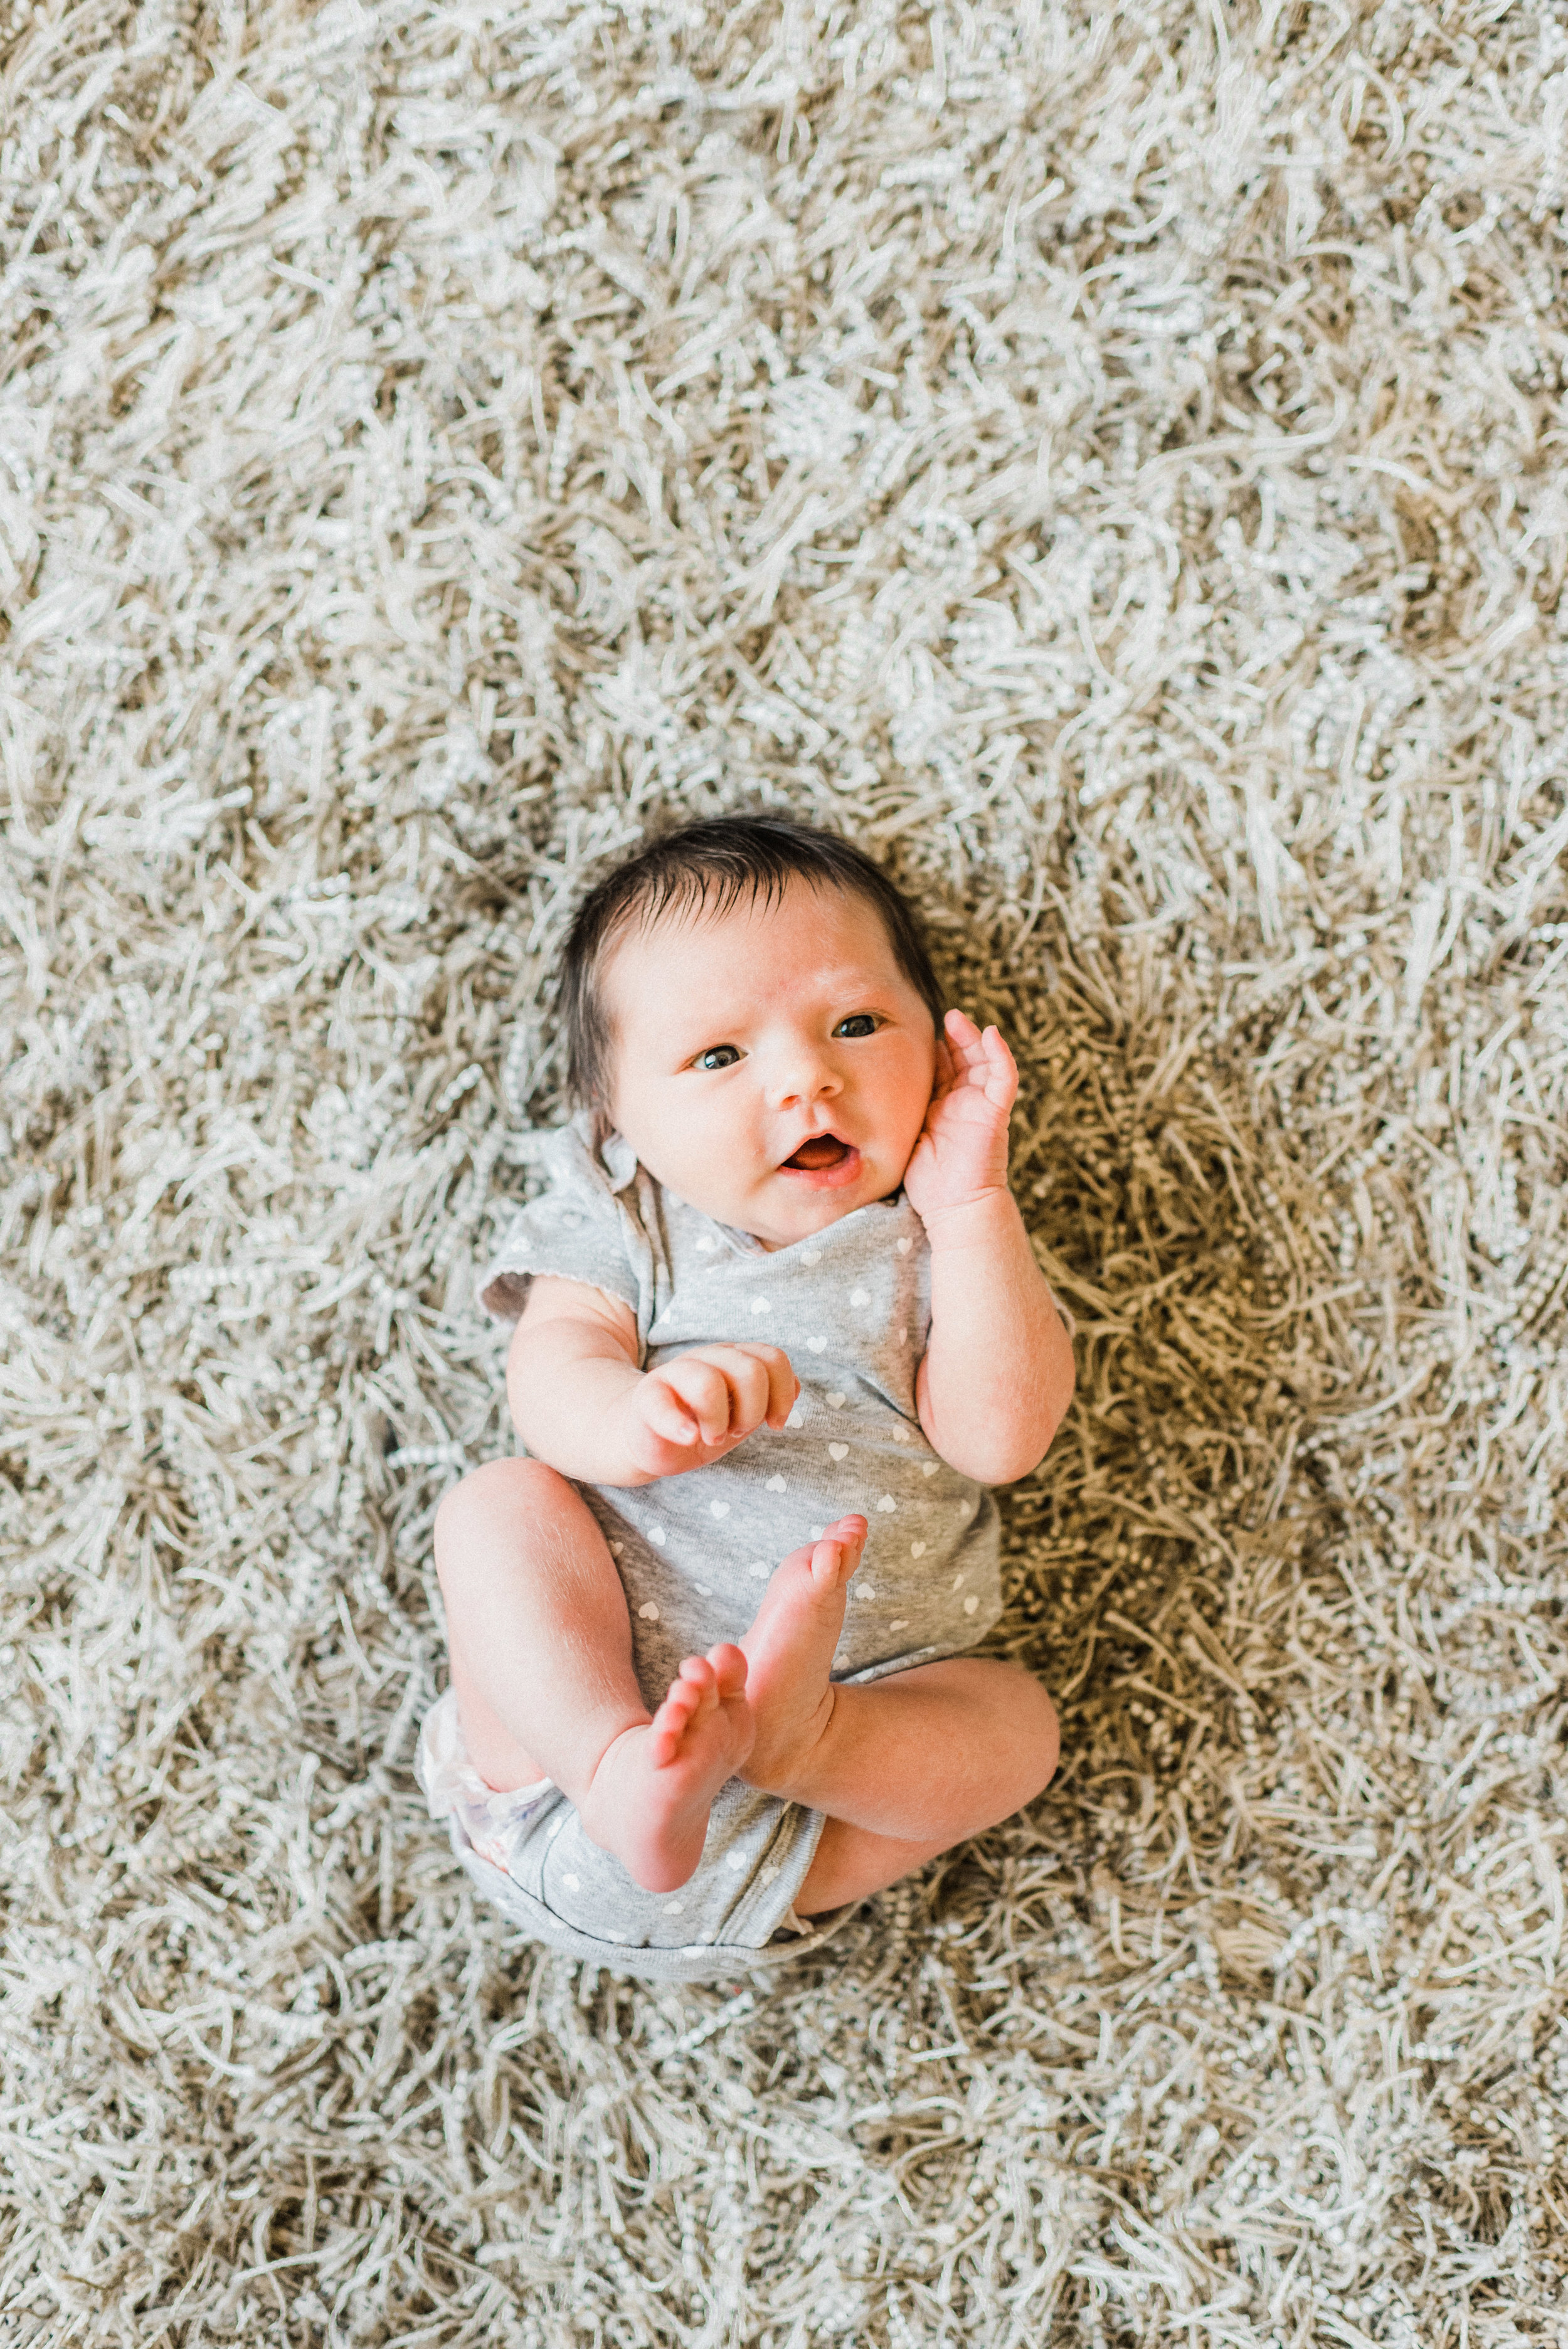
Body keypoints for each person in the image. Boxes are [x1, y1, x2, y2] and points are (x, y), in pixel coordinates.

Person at [416, 813, 1075, 1978]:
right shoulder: (628, 1213)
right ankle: (621, 1762)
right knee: (498, 1505)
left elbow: (1001, 1439)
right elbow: (551, 1369)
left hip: (800, 1824)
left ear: (937, 1047)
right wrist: (633, 1415)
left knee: (1019, 1728)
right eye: (721, 1057)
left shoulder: (935, 1240)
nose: (807, 1077)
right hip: (555, 1774)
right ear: (617, 1116)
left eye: (859, 1024)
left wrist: (976, 1207)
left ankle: (810, 1736)